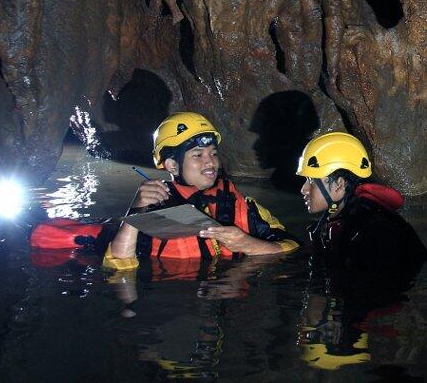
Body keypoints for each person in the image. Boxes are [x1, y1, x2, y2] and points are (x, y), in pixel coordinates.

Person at [103, 111, 298, 270]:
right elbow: (119, 270)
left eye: (213, 153)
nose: (210, 162)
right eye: (198, 155)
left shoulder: (241, 203)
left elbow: (292, 246)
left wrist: (247, 244)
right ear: (172, 165)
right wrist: (135, 213)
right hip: (176, 305)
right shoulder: (154, 209)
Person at [297, 131, 427, 279]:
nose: (304, 189)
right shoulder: (337, 216)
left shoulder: (373, 229)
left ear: (339, 184)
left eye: (312, 181)